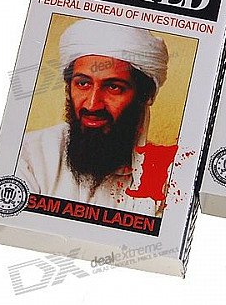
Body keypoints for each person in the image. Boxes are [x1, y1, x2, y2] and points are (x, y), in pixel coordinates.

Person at [17, 19, 169, 215]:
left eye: (114, 87)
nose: (92, 104)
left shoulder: (166, 180)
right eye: (83, 84)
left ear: (145, 95)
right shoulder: (28, 156)